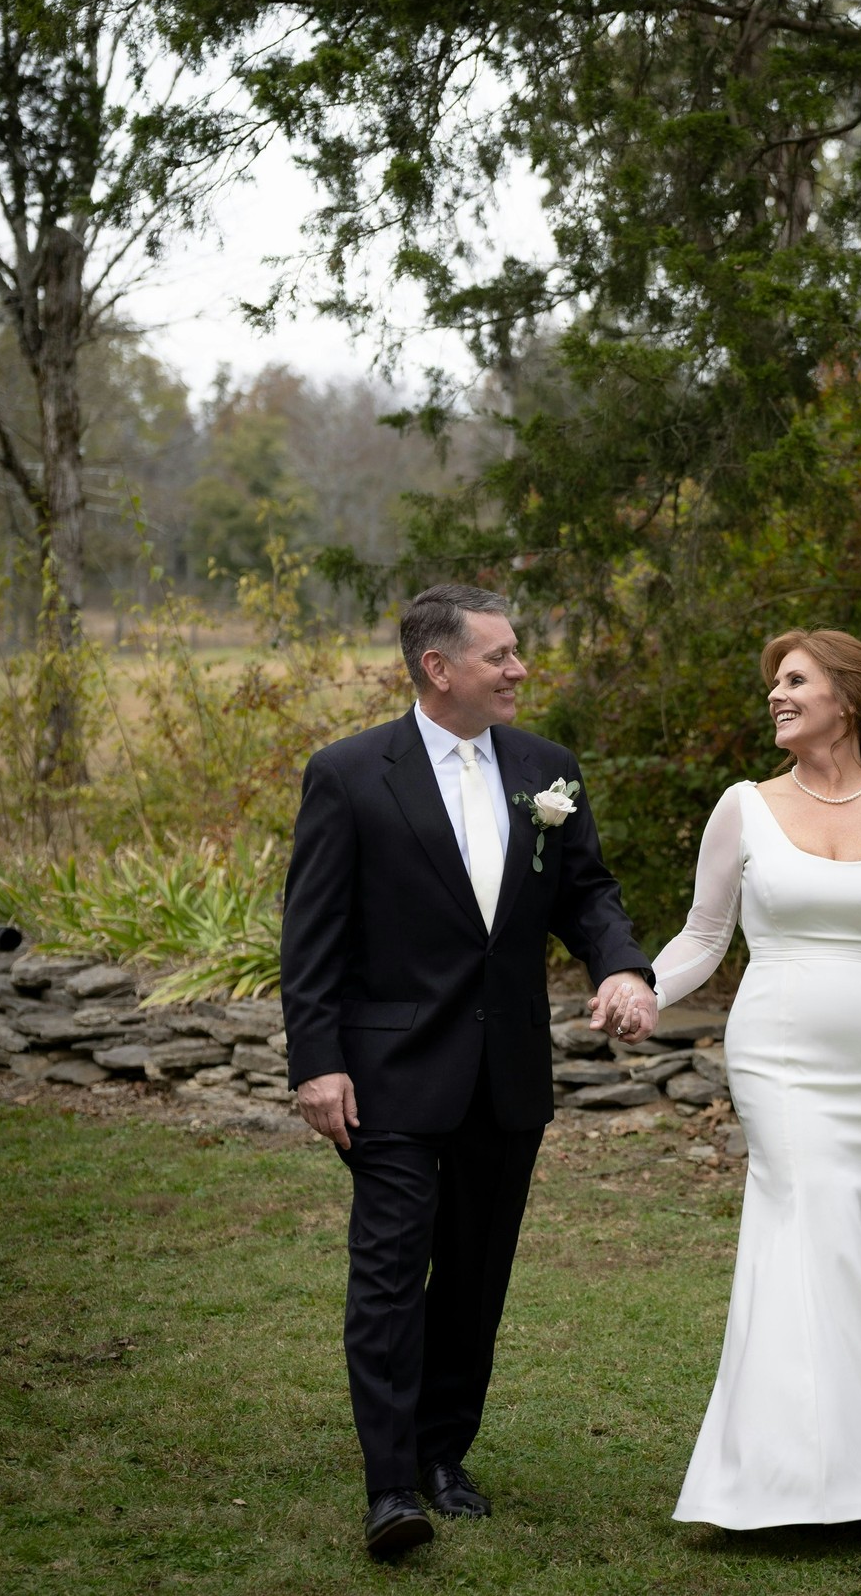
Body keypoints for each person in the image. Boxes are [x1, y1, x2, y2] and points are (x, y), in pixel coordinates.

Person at [611, 628, 861, 1557]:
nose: (775, 696)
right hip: (779, 1051)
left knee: (843, 1242)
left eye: (794, 680)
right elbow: (703, 936)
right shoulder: (742, 807)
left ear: (848, 696)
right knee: (812, 1225)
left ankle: (775, 1473)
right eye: (774, 683)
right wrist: (644, 985)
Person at [279, 583, 656, 1558]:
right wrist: (316, 1063)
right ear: (437, 667)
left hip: (506, 1073)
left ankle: (446, 1453)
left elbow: (587, 891)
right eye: (499, 654)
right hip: (390, 1071)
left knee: (475, 1276)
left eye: (516, 650)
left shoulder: (546, 770)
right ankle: (391, 1483)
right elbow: (312, 939)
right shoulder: (351, 773)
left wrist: (618, 962)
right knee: (390, 1270)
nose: (518, 668)